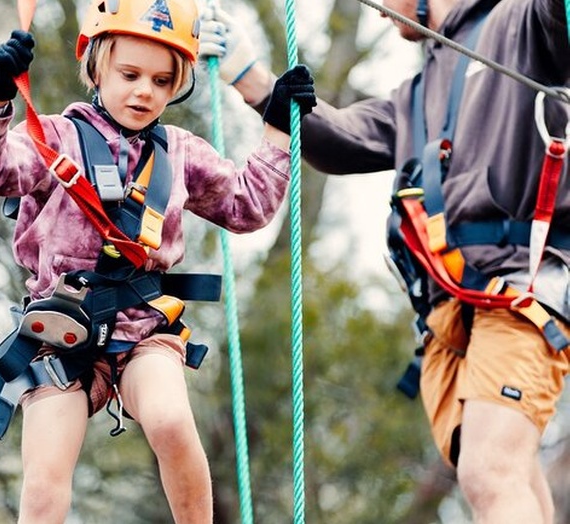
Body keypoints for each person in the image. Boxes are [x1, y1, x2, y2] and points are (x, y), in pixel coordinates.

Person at [201, 0, 569, 522]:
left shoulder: (521, 23)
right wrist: (251, 77)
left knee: (490, 473)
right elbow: (341, 138)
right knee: (509, 473)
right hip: (447, 314)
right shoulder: (417, 96)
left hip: (521, 287)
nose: (373, 10)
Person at [0, 0, 316, 521]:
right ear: (97, 66)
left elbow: (247, 206)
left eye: (162, 81)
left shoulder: (181, 153)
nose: (144, 90)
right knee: (44, 478)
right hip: (60, 331)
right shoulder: (55, 138)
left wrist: (278, 127)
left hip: (144, 326)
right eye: (130, 74)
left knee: (170, 420)